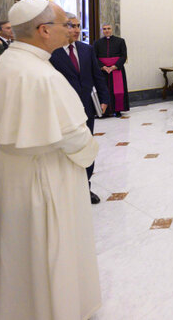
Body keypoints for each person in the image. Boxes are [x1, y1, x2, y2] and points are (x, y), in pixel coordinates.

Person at [0, 0, 100, 320]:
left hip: (7, 168)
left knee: (13, 247)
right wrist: (90, 152)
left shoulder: (2, 64)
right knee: (44, 245)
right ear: (43, 31)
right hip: (43, 174)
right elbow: (74, 137)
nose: (70, 31)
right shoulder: (42, 75)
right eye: (65, 24)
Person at [50, 13, 108, 204]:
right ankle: (65, 190)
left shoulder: (86, 49)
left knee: (85, 146)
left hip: (86, 108)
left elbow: (97, 76)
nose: (75, 30)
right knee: (65, 149)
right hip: (62, 110)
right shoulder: (52, 52)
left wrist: (104, 98)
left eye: (77, 25)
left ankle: (86, 187)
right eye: (70, 25)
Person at [94, 24, 129, 117]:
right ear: (102, 30)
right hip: (103, 71)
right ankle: (104, 111)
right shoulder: (97, 43)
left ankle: (117, 110)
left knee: (118, 91)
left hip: (116, 69)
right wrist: (103, 67)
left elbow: (124, 56)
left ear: (112, 30)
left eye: (108, 28)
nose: (107, 31)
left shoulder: (120, 41)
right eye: (104, 29)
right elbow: (94, 57)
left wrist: (115, 66)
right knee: (103, 90)